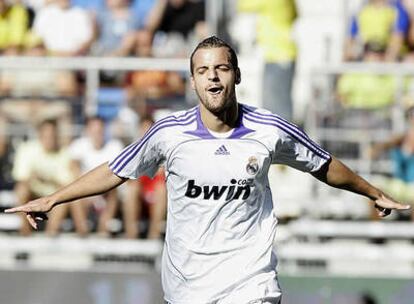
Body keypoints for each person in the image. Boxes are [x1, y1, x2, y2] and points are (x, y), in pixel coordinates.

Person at [5, 36, 411, 303]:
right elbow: (115, 170)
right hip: (188, 287)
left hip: (251, 283)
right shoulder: (168, 133)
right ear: (193, 82)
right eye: (203, 70)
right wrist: (55, 198)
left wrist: (372, 191)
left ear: (236, 74)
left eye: (221, 69)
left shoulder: (269, 129)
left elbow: (323, 165)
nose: (213, 78)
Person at [11, 119, 88, 236]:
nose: (50, 139)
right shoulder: (27, 149)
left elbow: (66, 184)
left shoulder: (65, 153)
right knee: (21, 190)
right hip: (35, 193)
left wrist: (43, 178)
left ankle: (51, 234)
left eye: (52, 135)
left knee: (62, 199)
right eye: (47, 135)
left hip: (55, 197)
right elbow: (22, 179)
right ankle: (25, 232)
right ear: (40, 135)